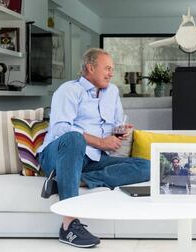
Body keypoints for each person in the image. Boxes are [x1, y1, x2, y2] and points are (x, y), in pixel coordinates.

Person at [38, 48, 150, 248]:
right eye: (107, 68)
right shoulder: (69, 90)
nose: (111, 73)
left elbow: (114, 124)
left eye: (112, 69)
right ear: (90, 68)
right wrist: (101, 142)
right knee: (74, 138)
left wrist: (119, 131)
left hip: (94, 159)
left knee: (146, 167)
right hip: (58, 155)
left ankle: (74, 179)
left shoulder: (112, 92)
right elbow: (61, 130)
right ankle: (68, 226)